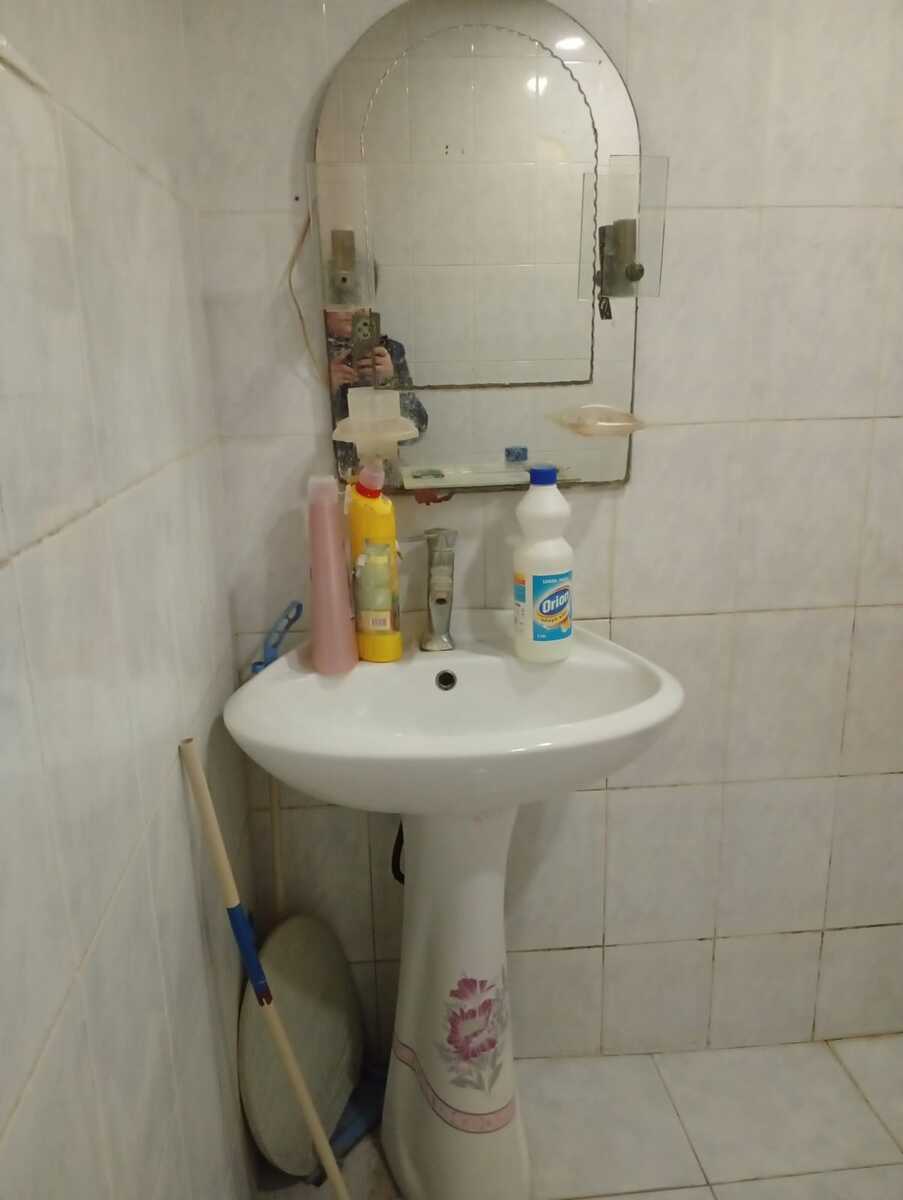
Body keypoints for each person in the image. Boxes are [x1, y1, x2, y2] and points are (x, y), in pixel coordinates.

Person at [325, 307, 428, 482]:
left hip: (382, 477)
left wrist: (390, 382)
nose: (352, 310)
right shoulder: (314, 354)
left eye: (360, 302)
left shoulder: (389, 351)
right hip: (333, 477)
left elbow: (418, 428)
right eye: (342, 302)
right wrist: (326, 390)